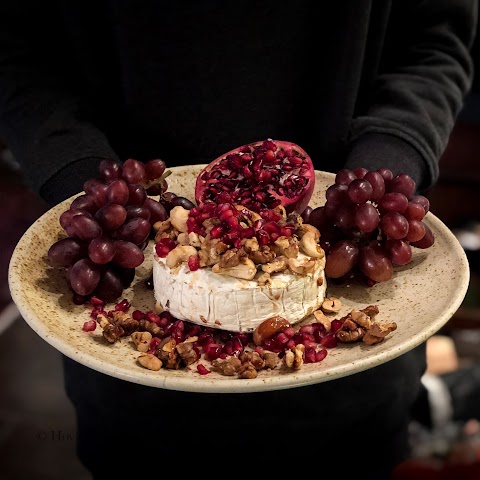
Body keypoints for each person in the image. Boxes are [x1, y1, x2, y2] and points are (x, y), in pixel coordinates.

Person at [0, 1, 477, 478]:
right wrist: (96, 195)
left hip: (352, 372)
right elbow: (18, 50)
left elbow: (432, 41)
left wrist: (372, 186)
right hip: (132, 366)